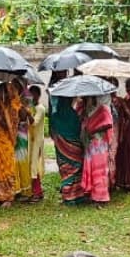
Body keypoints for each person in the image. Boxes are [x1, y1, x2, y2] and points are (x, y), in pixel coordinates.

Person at [49, 76, 87, 205]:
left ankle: (67, 196)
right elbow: (79, 130)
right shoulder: (73, 114)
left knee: (66, 170)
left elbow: (53, 132)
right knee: (76, 169)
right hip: (75, 147)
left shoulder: (55, 115)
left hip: (61, 149)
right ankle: (76, 195)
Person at [0, 83, 19, 207]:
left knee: (7, 168)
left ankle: (8, 196)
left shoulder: (12, 108)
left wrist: (1, 119)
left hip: (6, 142)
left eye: (4, 92)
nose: (2, 95)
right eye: (0, 92)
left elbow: (12, 126)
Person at [80, 95, 113, 207]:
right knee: (92, 170)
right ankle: (93, 196)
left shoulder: (103, 109)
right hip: (91, 144)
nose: (90, 99)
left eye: (92, 97)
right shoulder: (88, 109)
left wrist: (94, 129)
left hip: (100, 145)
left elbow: (108, 124)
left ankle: (101, 198)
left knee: (100, 171)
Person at [27, 84, 46, 200]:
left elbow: (34, 123)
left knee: (35, 165)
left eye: (33, 94)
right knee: (31, 164)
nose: (31, 97)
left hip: (37, 141)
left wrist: (28, 114)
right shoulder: (32, 108)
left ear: (38, 95)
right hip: (31, 140)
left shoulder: (40, 108)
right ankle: (33, 190)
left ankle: (37, 192)